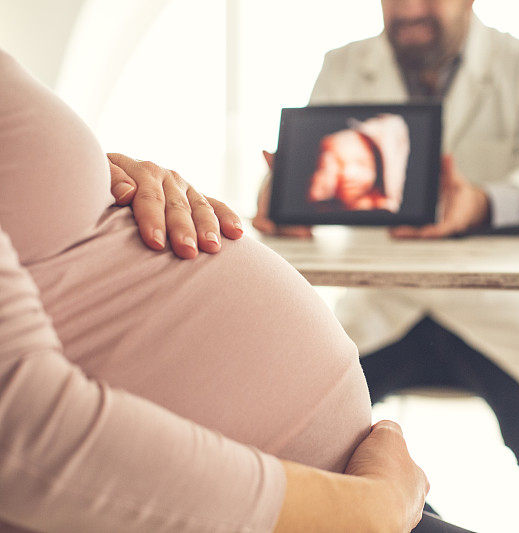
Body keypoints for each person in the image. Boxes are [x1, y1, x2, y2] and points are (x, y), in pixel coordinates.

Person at [0, 45, 454, 532]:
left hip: (303, 495)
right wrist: (371, 511)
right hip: (275, 514)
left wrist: (99, 177)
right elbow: (21, 433)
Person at [255, 1, 519, 531]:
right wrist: (288, 201)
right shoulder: (343, 65)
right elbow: (318, 172)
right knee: (296, 428)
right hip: (383, 304)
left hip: (504, 312)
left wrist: (480, 204)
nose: (410, 9)